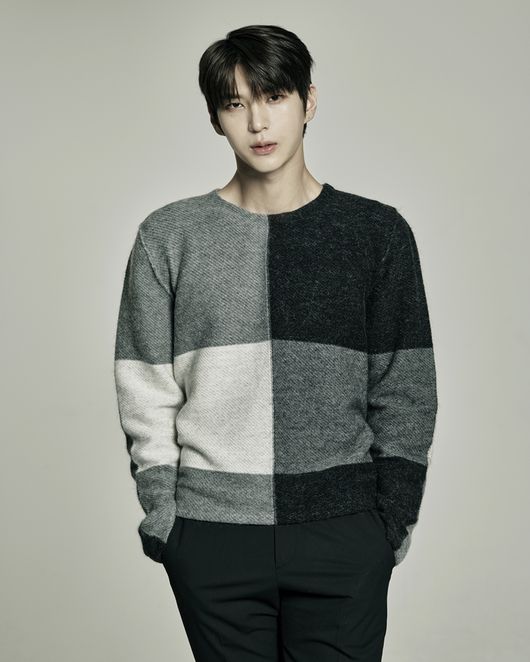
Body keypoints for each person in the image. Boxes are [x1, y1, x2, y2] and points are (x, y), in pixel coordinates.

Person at [113, 23, 438, 662]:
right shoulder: (169, 237)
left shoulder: (376, 234)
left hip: (344, 530)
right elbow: (144, 387)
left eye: (274, 96)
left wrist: (390, 521)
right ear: (215, 118)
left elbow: (405, 388)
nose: (258, 122)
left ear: (308, 101)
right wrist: (166, 520)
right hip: (212, 533)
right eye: (235, 103)